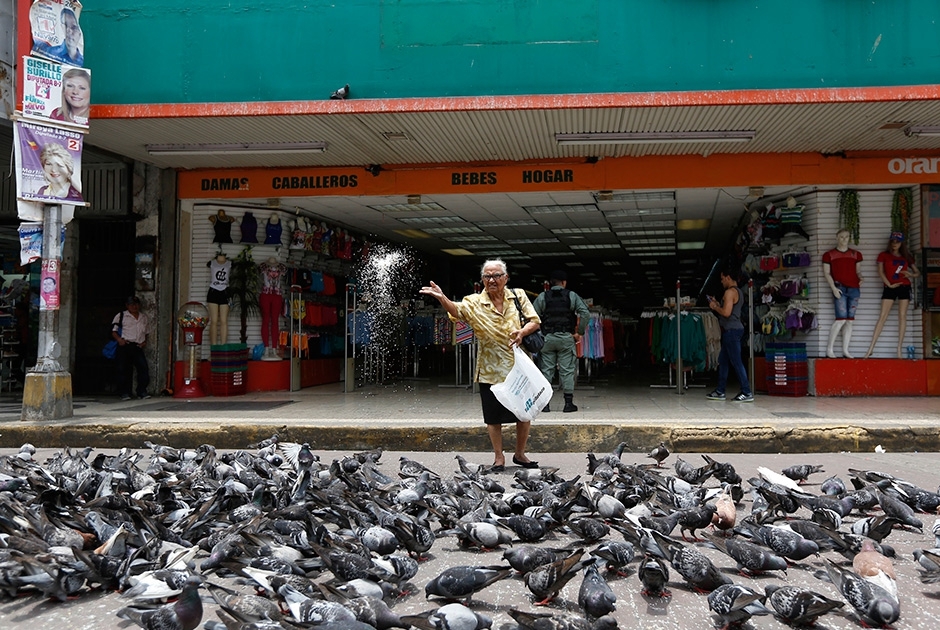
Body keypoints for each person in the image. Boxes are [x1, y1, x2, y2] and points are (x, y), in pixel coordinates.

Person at [420, 259, 541, 471]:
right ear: (482, 279)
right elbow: (456, 311)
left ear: (506, 278)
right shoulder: (474, 301)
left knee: (524, 413)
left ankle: (520, 454)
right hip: (490, 368)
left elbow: (535, 321)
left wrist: (522, 332)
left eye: (496, 276)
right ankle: (498, 458)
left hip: (519, 367)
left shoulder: (519, 296)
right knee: (493, 417)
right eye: (487, 276)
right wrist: (442, 298)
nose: (491, 280)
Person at [532, 270, 590, 413]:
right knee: (567, 371)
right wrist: (579, 332)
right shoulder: (571, 295)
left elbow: (532, 316)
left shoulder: (542, 297)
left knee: (546, 370)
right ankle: (568, 404)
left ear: (551, 283)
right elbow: (585, 313)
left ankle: (545, 405)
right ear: (564, 283)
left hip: (547, 339)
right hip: (566, 338)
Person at [864, 231, 921, 359]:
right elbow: (880, 271)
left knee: (902, 316)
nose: (895, 244)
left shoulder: (906, 256)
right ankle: (871, 348)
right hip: (889, 287)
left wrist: (910, 275)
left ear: (902, 243)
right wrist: (888, 284)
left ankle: (899, 348)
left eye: (898, 242)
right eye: (893, 241)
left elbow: (917, 272)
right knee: (882, 316)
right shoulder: (883, 255)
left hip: (904, 286)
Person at [706, 268, 754, 402]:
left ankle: (746, 391)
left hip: (731, 331)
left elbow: (726, 313)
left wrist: (715, 307)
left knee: (736, 362)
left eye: (722, 279)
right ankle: (720, 390)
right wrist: (717, 304)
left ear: (728, 277)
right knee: (724, 361)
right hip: (733, 330)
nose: (721, 282)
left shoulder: (729, 292)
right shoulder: (739, 292)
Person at [822, 229, 864, 358]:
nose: (844, 239)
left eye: (846, 237)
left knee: (850, 321)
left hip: (854, 289)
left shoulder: (856, 254)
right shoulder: (829, 255)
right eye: (841, 237)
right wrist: (833, 288)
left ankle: (846, 350)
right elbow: (827, 273)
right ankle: (829, 349)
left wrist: (861, 278)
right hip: (839, 287)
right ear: (837, 238)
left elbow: (858, 271)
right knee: (840, 319)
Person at [112, 296, 150, 400]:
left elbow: (146, 332)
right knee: (123, 369)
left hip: (137, 346)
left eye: (136, 304)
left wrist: (144, 342)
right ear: (127, 305)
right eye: (131, 304)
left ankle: (141, 391)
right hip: (125, 345)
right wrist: (120, 340)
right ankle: (124, 392)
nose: (134, 306)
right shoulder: (121, 316)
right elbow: (113, 331)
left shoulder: (143, 317)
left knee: (143, 369)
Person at [258, 257, 286, 360]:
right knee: (265, 320)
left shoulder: (282, 267)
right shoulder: (263, 266)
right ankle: (266, 348)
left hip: (277, 295)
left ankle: (274, 348)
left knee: (275, 321)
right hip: (265, 294)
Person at [206, 252, 231, 345]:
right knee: (214, 321)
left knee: (224, 321)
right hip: (213, 291)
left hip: (225, 291)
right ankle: (213, 349)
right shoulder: (212, 263)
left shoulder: (229, 263)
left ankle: (223, 347)